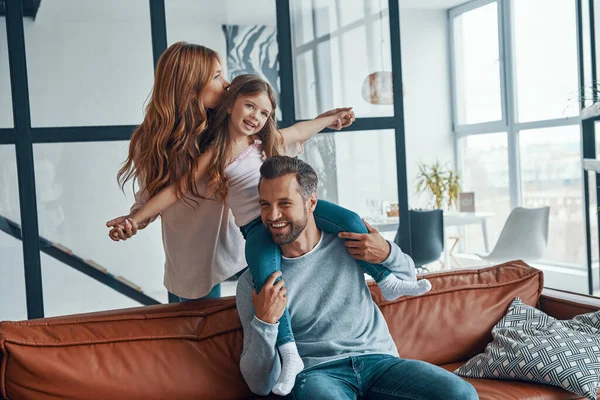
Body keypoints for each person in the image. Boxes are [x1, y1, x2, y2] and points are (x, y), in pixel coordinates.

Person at [115, 75, 432, 395]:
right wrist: (136, 218)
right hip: (257, 227)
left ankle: (387, 281)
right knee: (269, 281)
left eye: (264, 112)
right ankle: (290, 353)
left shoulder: (268, 143)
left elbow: (301, 130)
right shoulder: (217, 154)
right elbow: (176, 190)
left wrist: (329, 119)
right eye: (249, 106)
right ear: (229, 107)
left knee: (350, 219)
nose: (255, 116)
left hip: (297, 214)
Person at [106, 41, 354, 301]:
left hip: (242, 240)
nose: (226, 84)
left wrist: (322, 121)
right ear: (190, 84)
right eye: (216, 76)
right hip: (193, 257)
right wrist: (133, 221)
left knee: (269, 301)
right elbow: (155, 194)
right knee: (198, 326)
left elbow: (280, 137)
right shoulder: (154, 142)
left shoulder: (224, 125)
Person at [236, 156, 478, 399]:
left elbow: (407, 278)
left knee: (461, 393)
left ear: (311, 203)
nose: (273, 215)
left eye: (284, 203)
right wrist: (265, 323)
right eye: (265, 205)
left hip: (380, 363)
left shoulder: (349, 243)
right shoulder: (255, 282)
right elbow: (259, 384)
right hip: (317, 374)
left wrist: (387, 252)